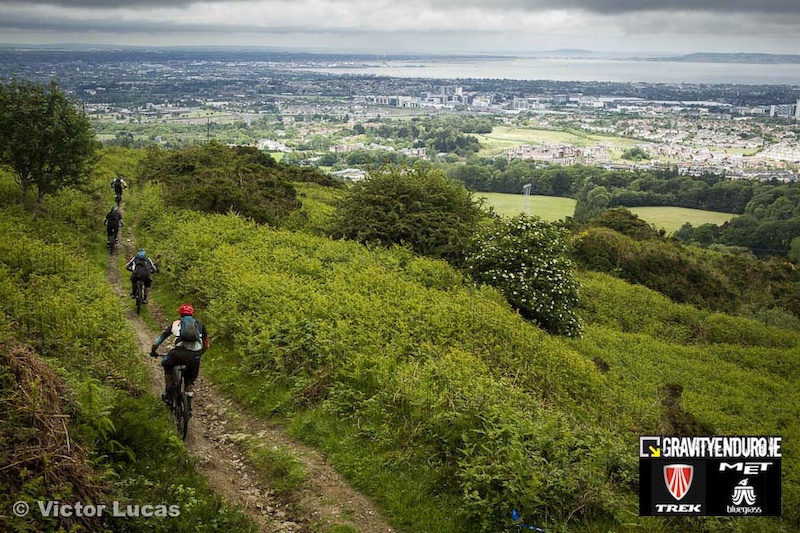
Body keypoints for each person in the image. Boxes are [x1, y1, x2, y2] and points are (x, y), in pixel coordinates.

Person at [150, 303, 209, 402]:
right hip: (195, 355)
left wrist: (153, 351)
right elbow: (206, 345)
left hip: (179, 354)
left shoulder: (176, 323)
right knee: (189, 379)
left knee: (166, 363)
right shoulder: (199, 325)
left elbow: (160, 339)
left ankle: (168, 393)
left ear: (180, 314)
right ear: (192, 314)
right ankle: (188, 399)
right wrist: (199, 354)